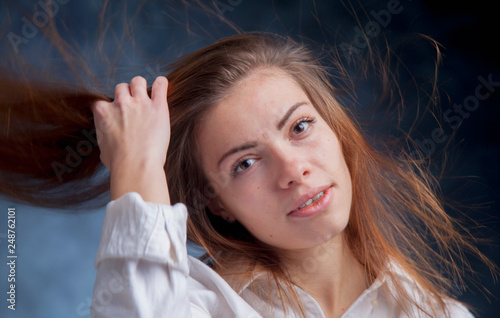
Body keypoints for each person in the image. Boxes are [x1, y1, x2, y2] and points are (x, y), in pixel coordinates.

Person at [87, 33, 483, 317]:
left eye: (300, 127)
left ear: (335, 129)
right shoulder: (198, 306)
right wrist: (137, 164)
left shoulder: (439, 314)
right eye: (244, 163)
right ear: (217, 203)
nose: (294, 171)